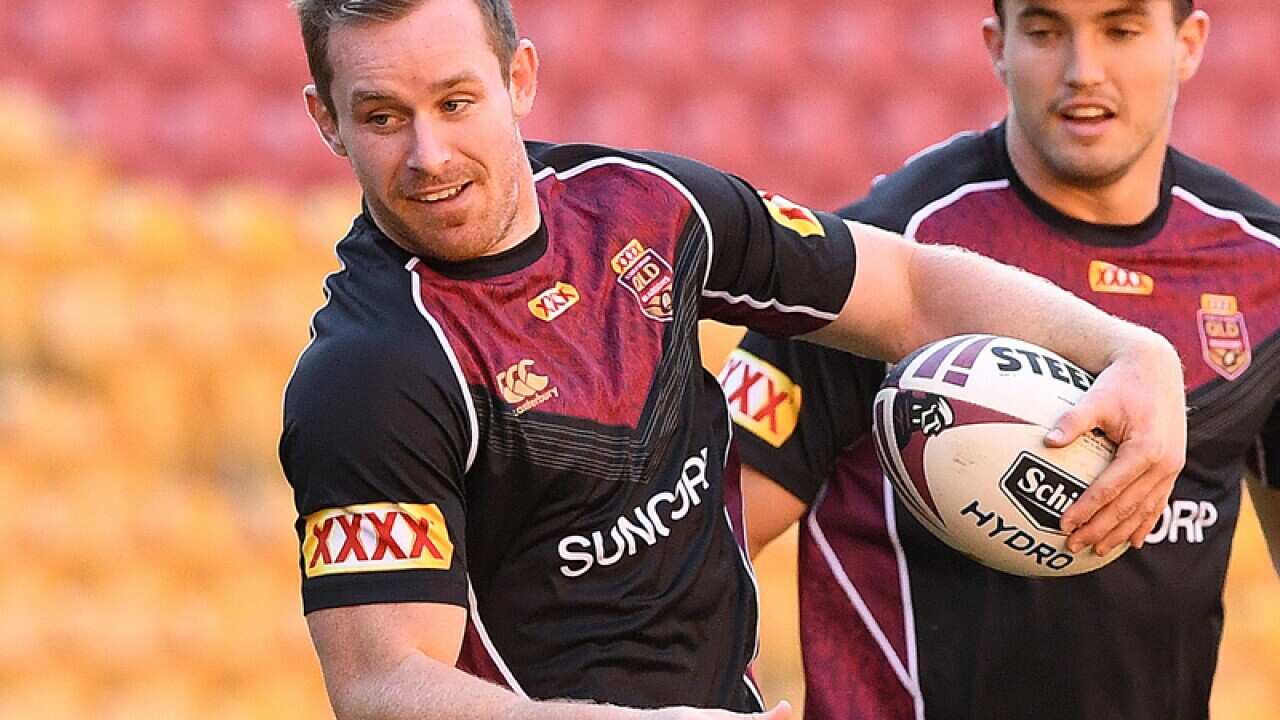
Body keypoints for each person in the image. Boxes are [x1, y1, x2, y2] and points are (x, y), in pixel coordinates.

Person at [279, 0, 1187, 718]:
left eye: (455, 100)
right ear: (327, 121)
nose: (428, 154)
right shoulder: (370, 375)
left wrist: (1130, 349)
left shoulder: (646, 206)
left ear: (519, 77)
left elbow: (906, 289)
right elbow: (384, 686)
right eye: (383, 116)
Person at [723, 1, 1280, 718]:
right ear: (997, 45)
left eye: (1122, 29)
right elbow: (708, 527)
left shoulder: (1260, 269)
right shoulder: (887, 255)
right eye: (1045, 31)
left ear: (1189, 42)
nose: (1083, 70)